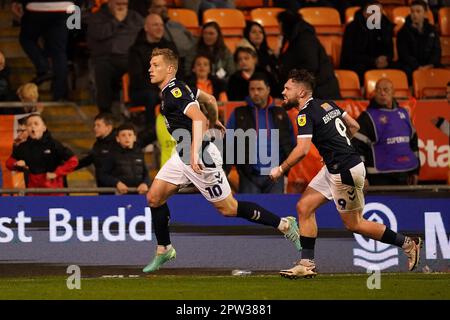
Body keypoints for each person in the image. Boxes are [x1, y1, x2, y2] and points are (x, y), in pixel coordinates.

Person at [142, 48, 301, 273]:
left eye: (155, 65)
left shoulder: (174, 91)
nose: (150, 69)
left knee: (228, 208)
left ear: (169, 69)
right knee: (154, 197)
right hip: (183, 154)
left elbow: (198, 118)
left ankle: (285, 224)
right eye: (150, 64)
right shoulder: (181, 87)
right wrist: (215, 121)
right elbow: (210, 99)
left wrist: (196, 151)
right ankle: (164, 249)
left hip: (201, 156)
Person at [269, 69, 422, 278]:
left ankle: (408, 243)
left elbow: (302, 150)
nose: (283, 92)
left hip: (344, 171)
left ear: (302, 92)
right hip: (335, 166)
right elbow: (354, 125)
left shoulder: (305, 114)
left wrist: (281, 169)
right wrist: (339, 147)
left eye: (288, 88)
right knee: (304, 207)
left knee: (355, 224)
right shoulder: (327, 104)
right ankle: (306, 264)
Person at [226, 72, 295, 193]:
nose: (256, 93)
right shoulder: (239, 113)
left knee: (275, 211)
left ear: (268, 90)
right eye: (252, 89)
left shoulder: (281, 113)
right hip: (248, 176)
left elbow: (291, 143)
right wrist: (239, 168)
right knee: (249, 211)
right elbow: (228, 142)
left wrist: (284, 168)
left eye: (259, 89)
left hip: (276, 175)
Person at [352, 78, 420, 185]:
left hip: (406, 175)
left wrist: (415, 172)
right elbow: (356, 149)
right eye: (378, 90)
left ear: (393, 92)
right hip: (380, 178)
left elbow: (413, 144)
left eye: (386, 90)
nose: (382, 93)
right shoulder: (366, 117)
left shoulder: (404, 113)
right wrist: (362, 177)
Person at [128, 13, 178, 144]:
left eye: (161, 25)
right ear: (146, 28)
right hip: (142, 91)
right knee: (152, 97)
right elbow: (137, 78)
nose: (160, 28)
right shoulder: (136, 50)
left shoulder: (170, 47)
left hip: (167, 87)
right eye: (155, 25)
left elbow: (178, 71)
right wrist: (159, 89)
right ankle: (151, 137)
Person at [87, 0, 143, 114]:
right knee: (102, 69)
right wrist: (116, 21)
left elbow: (141, 33)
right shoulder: (97, 17)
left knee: (144, 66)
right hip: (105, 58)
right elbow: (99, 34)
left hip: (129, 58)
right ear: (110, 3)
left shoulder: (134, 17)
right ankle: (105, 111)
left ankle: (136, 107)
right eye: (118, 4)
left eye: (125, 4)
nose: (122, 7)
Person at [13, 0, 72, 100]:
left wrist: (19, 2)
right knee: (59, 52)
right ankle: (60, 95)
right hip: (64, 7)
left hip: (37, 6)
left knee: (26, 39)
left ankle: (43, 67)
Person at [5, 114, 78, 194]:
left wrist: (56, 173)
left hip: (55, 193)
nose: (32, 126)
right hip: (33, 194)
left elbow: (73, 161)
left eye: (36, 124)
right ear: (27, 130)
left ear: (44, 128)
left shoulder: (54, 144)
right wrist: (16, 164)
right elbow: (9, 162)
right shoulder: (23, 147)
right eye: (29, 125)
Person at [277, 10, 341, 100]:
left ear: (285, 24)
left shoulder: (305, 39)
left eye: (279, 23)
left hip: (321, 93)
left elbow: (310, 65)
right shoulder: (294, 38)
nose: (278, 27)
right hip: (313, 91)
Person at [340, 1, 395, 83]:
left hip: (380, 63)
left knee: (399, 68)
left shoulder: (386, 26)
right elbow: (349, 55)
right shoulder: (352, 28)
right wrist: (373, 61)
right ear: (365, 13)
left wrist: (386, 59)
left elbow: (390, 51)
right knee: (359, 69)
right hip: (359, 63)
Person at [397, 0, 442, 83]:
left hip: (429, 65)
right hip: (411, 66)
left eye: (418, 11)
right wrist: (418, 67)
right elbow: (404, 54)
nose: (414, 14)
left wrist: (430, 65)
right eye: (412, 11)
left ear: (425, 13)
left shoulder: (432, 30)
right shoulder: (402, 32)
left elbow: (436, 50)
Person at [98, 123, 150, 195]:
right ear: (118, 139)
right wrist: (117, 183)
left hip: (139, 195)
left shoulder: (139, 153)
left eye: (130, 135)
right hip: (120, 196)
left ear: (134, 137)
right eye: (123, 135)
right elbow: (103, 175)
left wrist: (145, 183)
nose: (127, 138)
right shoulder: (112, 154)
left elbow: (146, 174)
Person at [149, 0, 197, 77]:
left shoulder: (177, 25)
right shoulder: (150, 29)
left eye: (165, 6)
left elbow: (193, 41)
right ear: (150, 9)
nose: (164, 9)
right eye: (159, 7)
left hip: (191, 60)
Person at [76, 113, 117, 188]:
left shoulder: (118, 143)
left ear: (109, 127)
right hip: (102, 188)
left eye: (98, 125)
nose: (95, 128)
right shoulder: (97, 144)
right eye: (94, 125)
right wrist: (67, 167)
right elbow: (88, 160)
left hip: (117, 190)